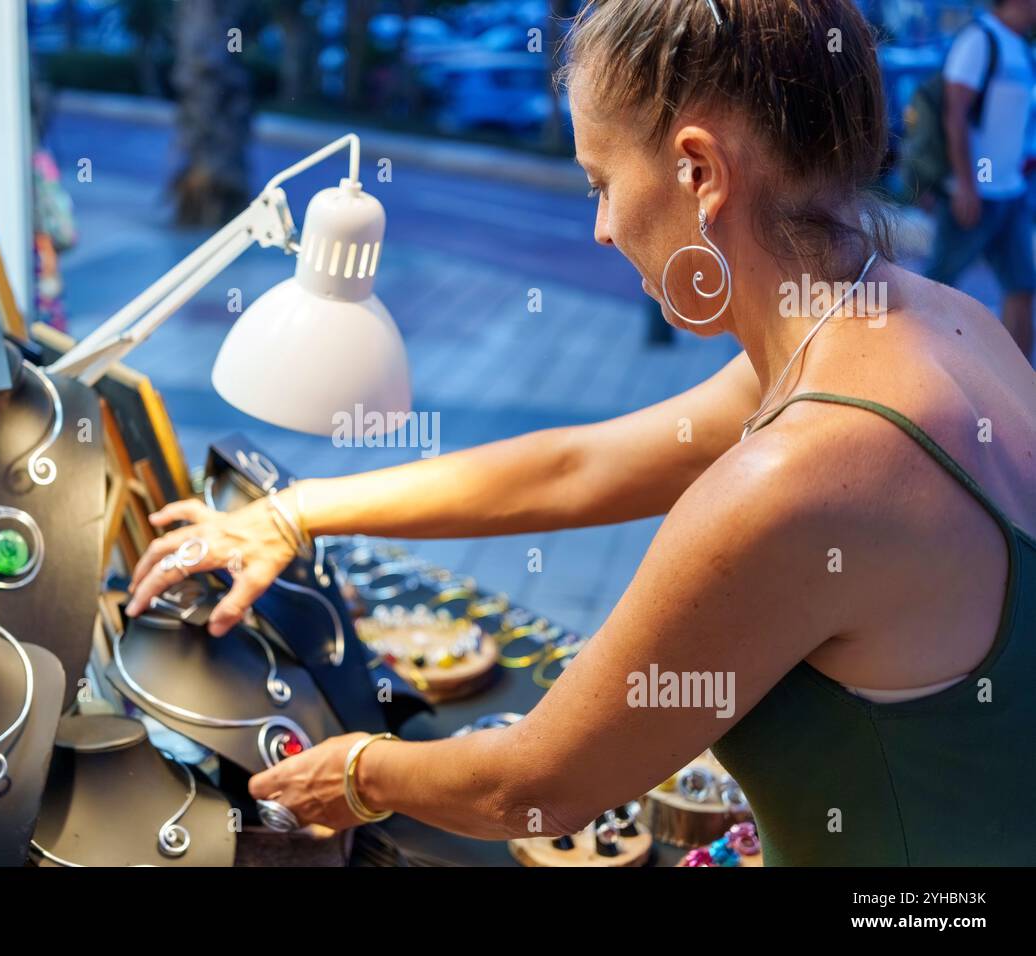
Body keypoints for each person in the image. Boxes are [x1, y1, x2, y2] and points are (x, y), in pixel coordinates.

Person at [129, 0, 1036, 866]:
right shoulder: (939, 322)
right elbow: (579, 465)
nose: (600, 231)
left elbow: (536, 784)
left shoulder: (804, 475)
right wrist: (291, 513)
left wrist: (356, 772)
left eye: (601, 183)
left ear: (700, 172)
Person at [925, 0, 1036, 360]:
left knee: (1022, 287)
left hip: (1011, 192)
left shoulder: (1019, 46)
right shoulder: (979, 40)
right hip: (976, 191)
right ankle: (922, 372)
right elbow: (954, 114)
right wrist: (967, 185)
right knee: (937, 287)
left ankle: (1019, 381)